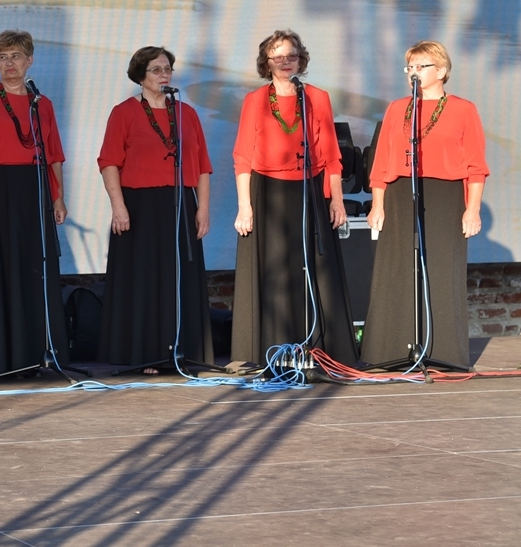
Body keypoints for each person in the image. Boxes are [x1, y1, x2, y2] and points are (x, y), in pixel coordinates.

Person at [231, 29, 356, 367]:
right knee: (275, 271)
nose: (286, 62)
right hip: (267, 190)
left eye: (291, 55)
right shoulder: (255, 101)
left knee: (314, 267)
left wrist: (337, 199)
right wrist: (245, 205)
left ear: (301, 58)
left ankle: (316, 349)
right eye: (278, 56)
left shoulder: (317, 97)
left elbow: (331, 154)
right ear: (266, 63)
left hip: (310, 188)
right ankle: (273, 351)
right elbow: (242, 156)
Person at [362, 41, 488, 369]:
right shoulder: (397, 108)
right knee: (398, 269)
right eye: (410, 68)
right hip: (401, 193)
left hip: (445, 196)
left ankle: (443, 353)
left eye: (422, 66)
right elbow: (381, 161)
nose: (414, 73)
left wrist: (472, 209)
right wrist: (378, 204)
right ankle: (389, 351)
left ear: (442, 71)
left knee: (441, 270)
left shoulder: (463, 109)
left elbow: (475, 165)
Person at [97, 47, 214, 373]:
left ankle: (182, 349)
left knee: (179, 278)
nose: (164, 74)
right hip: (140, 207)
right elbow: (108, 162)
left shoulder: (187, 113)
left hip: (180, 203)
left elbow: (203, 166)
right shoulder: (124, 112)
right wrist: (118, 207)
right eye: (156, 69)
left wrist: (202, 208)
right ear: (140, 75)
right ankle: (147, 352)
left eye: (167, 69)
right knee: (146, 280)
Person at [0, 29, 69, 375]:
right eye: (3, 57)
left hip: (32, 190)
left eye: (16, 56)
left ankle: (36, 351)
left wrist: (58, 197)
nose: (10, 63)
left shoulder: (42, 104)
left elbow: (54, 156)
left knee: (34, 270)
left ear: (30, 61)